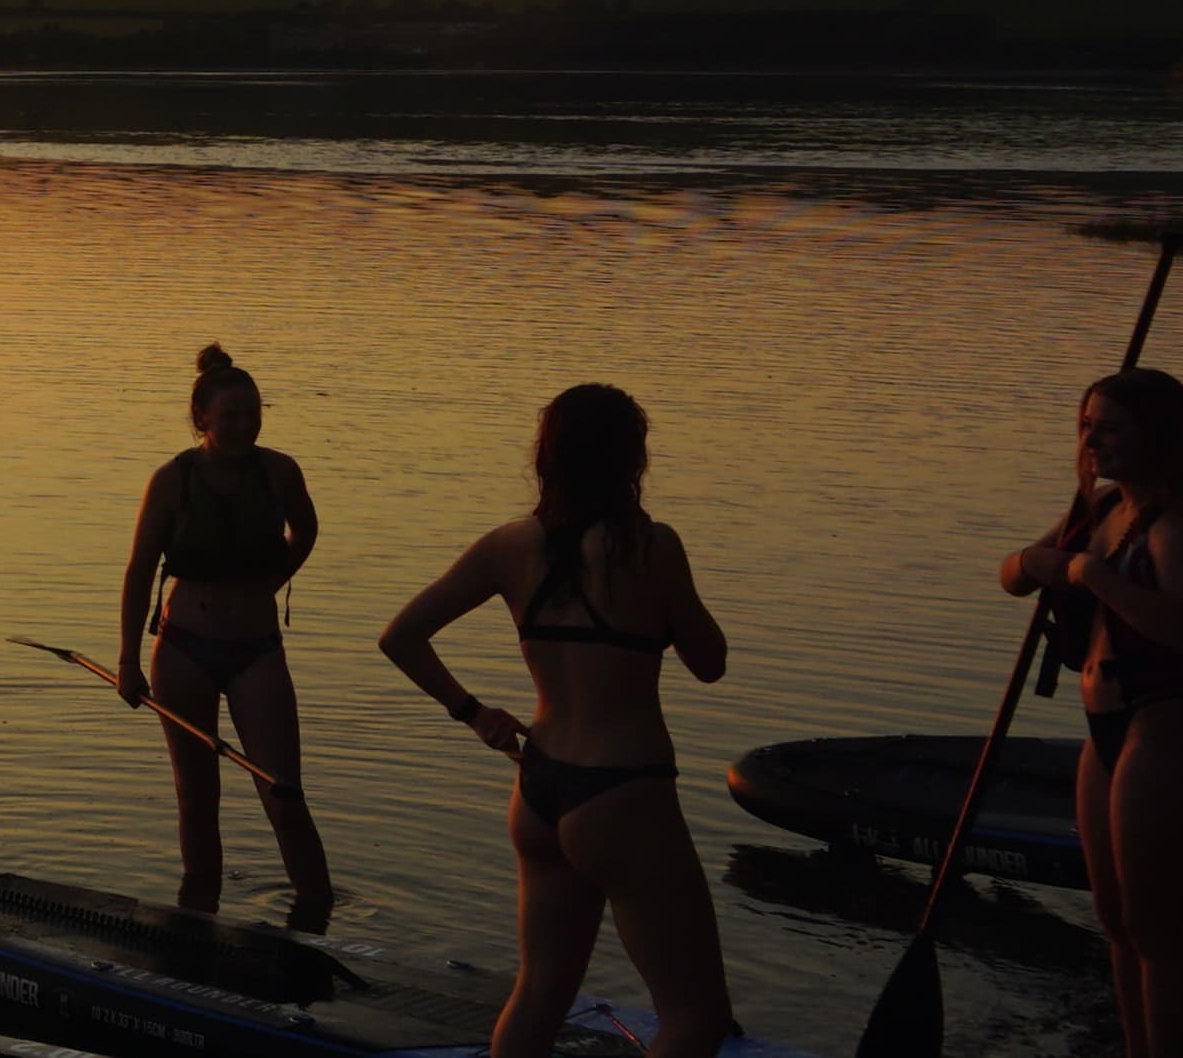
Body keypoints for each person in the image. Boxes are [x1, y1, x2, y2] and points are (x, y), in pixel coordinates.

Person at [377, 384, 732, 1057]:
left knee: (539, 993)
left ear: (550, 457)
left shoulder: (509, 545)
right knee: (696, 1020)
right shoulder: (651, 547)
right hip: (623, 792)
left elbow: (401, 637)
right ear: (630, 458)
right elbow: (709, 662)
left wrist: (473, 713)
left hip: (538, 788)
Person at [1007, 368, 1183, 1058]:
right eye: (1085, 425)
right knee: (1113, 921)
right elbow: (1013, 574)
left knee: (1155, 927)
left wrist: (1091, 574)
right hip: (1103, 731)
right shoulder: (1099, 508)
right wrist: (1035, 561)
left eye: (1110, 427)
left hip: (1165, 725)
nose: (1092, 440)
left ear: (1157, 435)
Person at [116, 344, 332, 927]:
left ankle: (316, 919)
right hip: (183, 646)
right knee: (197, 797)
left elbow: (306, 531)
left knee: (283, 791)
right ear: (202, 419)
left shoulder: (281, 471)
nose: (243, 424)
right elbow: (139, 570)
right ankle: (196, 919)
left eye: (252, 413)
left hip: (256, 650)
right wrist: (128, 663)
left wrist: (272, 581)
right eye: (230, 415)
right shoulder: (171, 480)